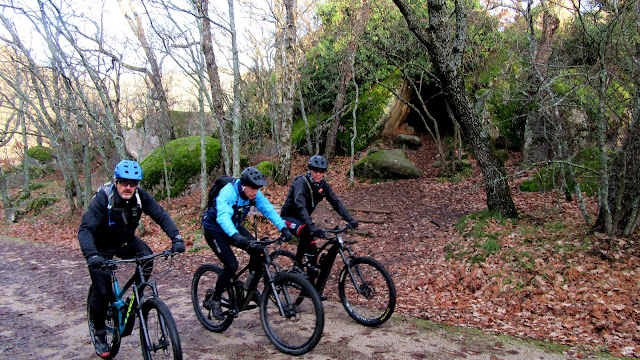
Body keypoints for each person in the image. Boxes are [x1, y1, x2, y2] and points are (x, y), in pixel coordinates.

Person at [78, 160, 185, 358]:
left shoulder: (139, 196)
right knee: (102, 291)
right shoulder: (103, 199)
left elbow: (160, 215)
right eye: (125, 182)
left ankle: (135, 299)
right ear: (116, 181)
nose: (129, 187)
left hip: (126, 242)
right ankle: (100, 333)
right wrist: (91, 254)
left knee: (147, 258)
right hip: (100, 248)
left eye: (133, 183)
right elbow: (85, 229)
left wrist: (176, 237)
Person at [202, 166, 293, 320]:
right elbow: (223, 216)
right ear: (243, 185)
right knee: (231, 265)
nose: (255, 192)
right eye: (253, 188)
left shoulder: (253, 194)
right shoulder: (229, 192)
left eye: (258, 189)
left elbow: (268, 209)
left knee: (258, 251)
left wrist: (283, 227)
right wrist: (235, 236)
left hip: (234, 228)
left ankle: (249, 290)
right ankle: (215, 299)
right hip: (214, 229)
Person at [280, 155, 358, 287]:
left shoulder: (323, 185)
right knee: (306, 230)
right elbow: (300, 206)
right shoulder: (301, 182)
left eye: (321, 172)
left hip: (303, 220)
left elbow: (335, 202)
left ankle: (310, 289)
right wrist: (311, 226)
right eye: (315, 171)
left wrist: (350, 219)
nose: (318, 174)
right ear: (310, 170)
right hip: (288, 218)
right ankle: (297, 266)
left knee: (312, 250)